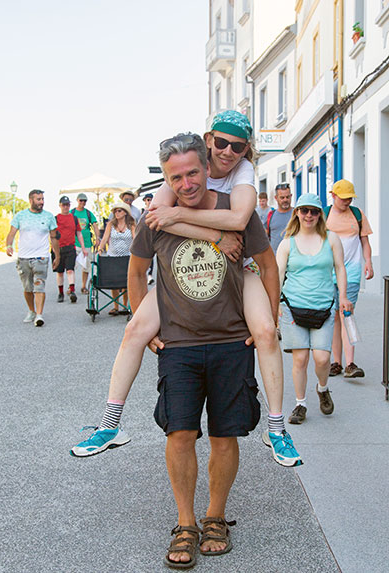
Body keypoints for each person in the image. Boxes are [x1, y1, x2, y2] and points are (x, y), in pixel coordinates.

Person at [71, 111, 301, 469]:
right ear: (209, 141)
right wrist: (210, 235)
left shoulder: (241, 175)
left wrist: (271, 317)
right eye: (221, 143)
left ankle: (277, 428)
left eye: (237, 146)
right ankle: (110, 424)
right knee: (133, 331)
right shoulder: (176, 180)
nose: (227, 151)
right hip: (178, 284)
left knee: (267, 334)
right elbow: (144, 253)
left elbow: (247, 233)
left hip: (240, 271)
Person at [130, 133, 272, 567]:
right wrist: (144, 323)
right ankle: (186, 522)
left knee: (225, 436)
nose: (187, 182)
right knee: (180, 434)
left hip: (232, 341)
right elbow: (136, 273)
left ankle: (216, 516)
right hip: (179, 345)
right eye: (177, 176)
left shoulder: (236, 214)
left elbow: (267, 264)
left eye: (193, 172)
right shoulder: (154, 218)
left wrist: (270, 318)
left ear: (208, 167)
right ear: (166, 179)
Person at [276, 194, 352, 425]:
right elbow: (278, 275)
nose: (309, 215)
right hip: (292, 307)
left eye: (314, 211)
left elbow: (340, 268)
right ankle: (301, 404)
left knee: (322, 358)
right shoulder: (287, 242)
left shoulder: (331, 239)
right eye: (304, 210)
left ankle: (322, 388)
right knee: (300, 360)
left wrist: (343, 296)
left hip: (324, 307)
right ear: (297, 212)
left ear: (320, 214)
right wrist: (274, 306)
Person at [324, 179, 374, 379]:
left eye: (350, 198)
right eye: (343, 198)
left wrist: (368, 261)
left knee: (347, 313)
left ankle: (350, 364)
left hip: (351, 272)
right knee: (334, 317)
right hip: (328, 273)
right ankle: (336, 362)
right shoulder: (324, 215)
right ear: (333, 196)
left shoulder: (357, 214)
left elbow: (365, 240)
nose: (347, 202)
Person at [6, 189, 60, 327]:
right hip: (23, 257)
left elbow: (54, 237)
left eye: (42, 199)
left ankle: (39, 315)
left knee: (39, 287)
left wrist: (57, 256)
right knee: (28, 288)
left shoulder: (49, 217)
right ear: (31, 200)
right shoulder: (20, 216)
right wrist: (8, 245)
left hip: (41, 257)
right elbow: (12, 233)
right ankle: (31, 310)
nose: (41, 202)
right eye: (38, 199)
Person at [98, 202, 136, 316]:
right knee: (114, 281)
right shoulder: (111, 224)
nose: (116, 213)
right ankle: (115, 306)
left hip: (127, 256)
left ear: (125, 213)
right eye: (115, 211)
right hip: (113, 256)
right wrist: (100, 249)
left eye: (119, 211)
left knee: (124, 282)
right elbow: (105, 238)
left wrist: (137, 251)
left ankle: (125, 306)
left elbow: (135, 239)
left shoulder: (131, 225)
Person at [53, 196, 88, 303]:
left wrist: (83, 247)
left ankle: (72, 291)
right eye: (63, 205)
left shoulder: (73, 218)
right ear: (60, 205)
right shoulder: (55, 219)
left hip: (70, 247)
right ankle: (60, 292)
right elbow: (52, 235)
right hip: (58, 248)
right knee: (59, 272)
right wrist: (53, 249)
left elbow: (79, 233)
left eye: (67, 205)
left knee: (70, 270)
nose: (65, 207)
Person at [70, 193, 100, 294]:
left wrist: (97, 238)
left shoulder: (88, 213)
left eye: (84, 201)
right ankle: (71, 287)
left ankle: (83, 286)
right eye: (81, 200)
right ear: (77, 200)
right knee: (71, 267)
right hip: (74, 243)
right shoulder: (72, 212)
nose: (83, 203)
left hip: (87, 243)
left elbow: (95, 225)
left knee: (86, 267)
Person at [267, 183, 293, 254]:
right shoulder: (271, 215)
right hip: (275, 261)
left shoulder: (298, 214)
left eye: (287, 197)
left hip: (294, 260)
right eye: (282, 197)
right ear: (276, 198)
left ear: (291, 196)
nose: (285, 200)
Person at [142, 194, 155, 284]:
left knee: (151, 258)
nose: (149, 201)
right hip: (143, 238)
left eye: (151, 199)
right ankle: (144, 275)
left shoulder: (155, 210)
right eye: (148, 199)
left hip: (153, 237)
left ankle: (149, 275)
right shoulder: (141, 211)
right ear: (145, 201)